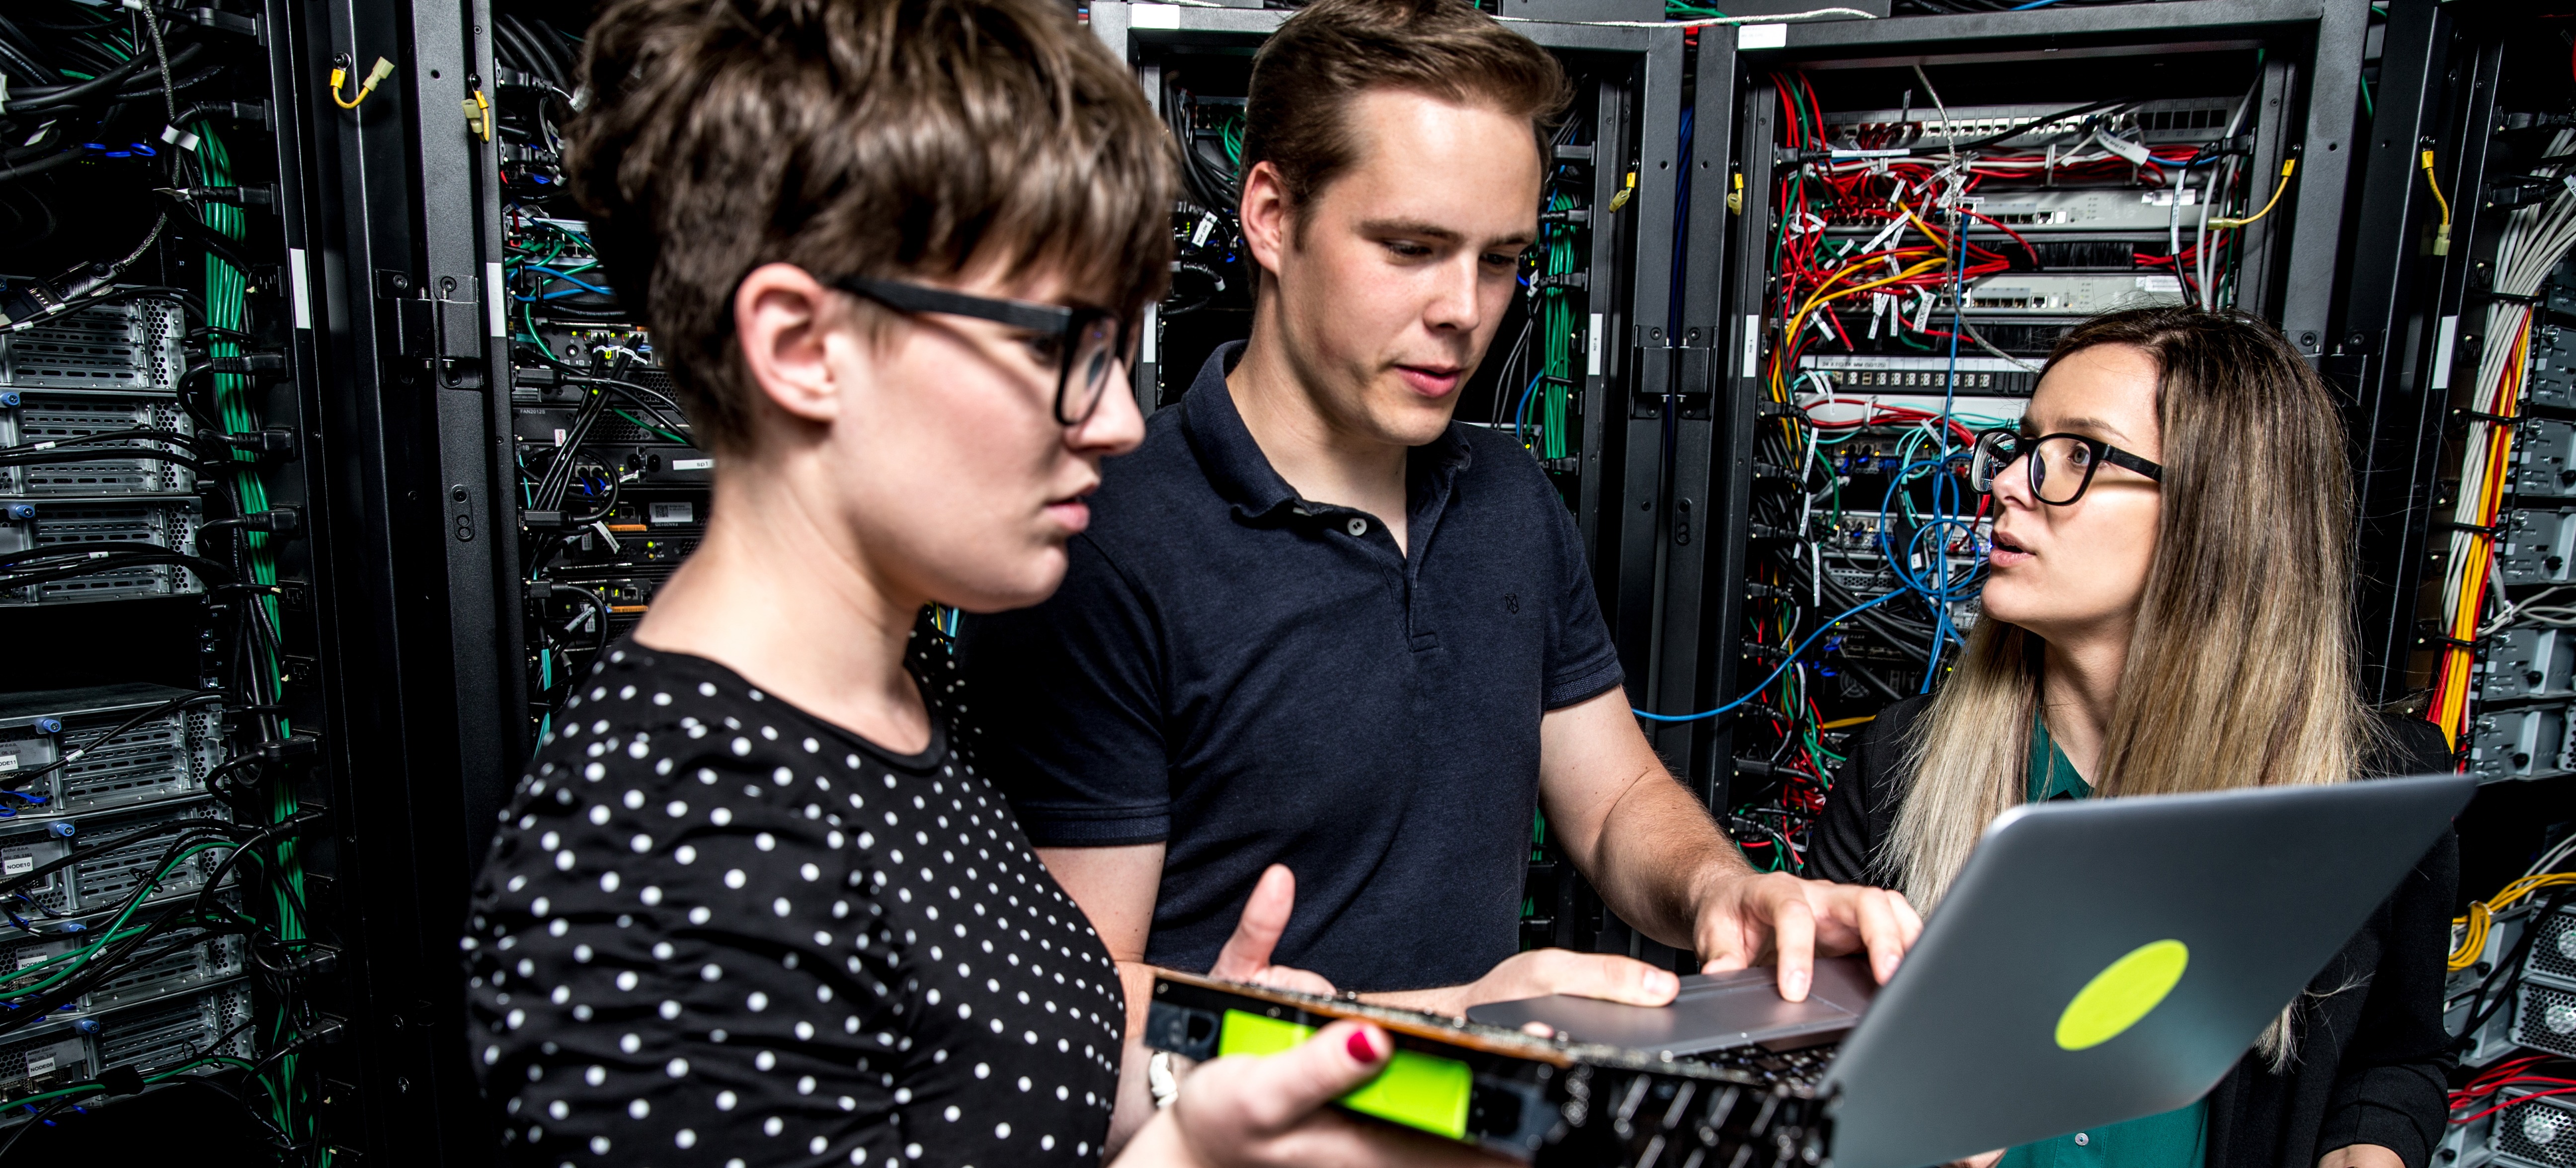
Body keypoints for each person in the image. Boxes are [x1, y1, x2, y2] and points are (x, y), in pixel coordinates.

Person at [459, 1, 1504, 1165]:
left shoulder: (893, 697)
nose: (1116, 422)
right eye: (1059, 348)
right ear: (803, 347)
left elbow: (1026, 1058)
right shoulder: (657, 871)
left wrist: (1474, 1037)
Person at [959, 0, 1920, 1146]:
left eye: (1502, 259)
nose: (1464, 312)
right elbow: (1074, 1007)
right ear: (1271, 216)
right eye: (1410, 248)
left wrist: (1727, 891)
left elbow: (1613, 798)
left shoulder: (1511, 501)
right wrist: (1422, 1030)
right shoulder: (1104, 540)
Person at [1810, 307, 2455, 1168]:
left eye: (2079, 452)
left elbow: (2400, 1055)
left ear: (2216, 514)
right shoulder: (1901, 767)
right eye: (2025, 442)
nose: (2006, 481)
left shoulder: (2370, 789)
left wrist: (2371, 1146)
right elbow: (1807, 1079)